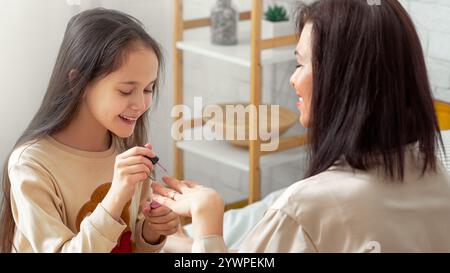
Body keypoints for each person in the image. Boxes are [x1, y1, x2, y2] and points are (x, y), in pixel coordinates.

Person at [154, 0, 450, 253]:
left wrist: (207, 219)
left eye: (301, 64)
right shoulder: (439, 183)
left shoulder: (306, 209)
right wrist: (188, 243)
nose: (294, 80)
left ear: (343, 82)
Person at [0, 8, 179, 253]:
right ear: (79, 83)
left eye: (148, 89)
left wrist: (152, 229)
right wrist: (116, 196)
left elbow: (134, 245)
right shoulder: (31, 166)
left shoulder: (126, 150)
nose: (141, 104)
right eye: (126, 91)